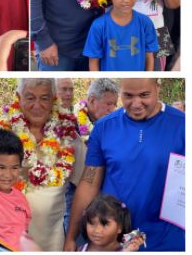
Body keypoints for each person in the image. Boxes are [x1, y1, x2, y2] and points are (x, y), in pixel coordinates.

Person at [64, 78, 184, 251]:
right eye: (128, 95)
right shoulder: (104, 127)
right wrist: (71, 237)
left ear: (157, 88)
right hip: (112, 241)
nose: (136, 104)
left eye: (144, 95)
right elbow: (89, 182)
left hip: (167, 239)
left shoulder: (182, 125)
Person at [0, 78, 80, 251]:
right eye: (30, 98)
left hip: (51, 243)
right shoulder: (0, 131)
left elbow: (87, 184)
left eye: (44, 98)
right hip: (2, 239)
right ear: (19, 97)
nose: (37, 105)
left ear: (54, 98)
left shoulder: (69, 136)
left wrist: (72, 236)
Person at [64, 79, 119, 236]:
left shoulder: (111, 124)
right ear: (92, 100)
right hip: (74, 187)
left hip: (102, 187)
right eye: (108, 104)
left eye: (114, 104)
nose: (112, 109)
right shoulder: (70, 121)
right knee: (75, 228)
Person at [83, 0, 158, 71]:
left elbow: (149, 56)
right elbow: (93, 62)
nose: (127, 0)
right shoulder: (99, 26)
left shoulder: (145, 23)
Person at [78, 194, 145, 252]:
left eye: (104, 224)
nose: (97, 230)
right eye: (92, 223)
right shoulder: (81, 249)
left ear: (119, 227)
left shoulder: (127, 250)